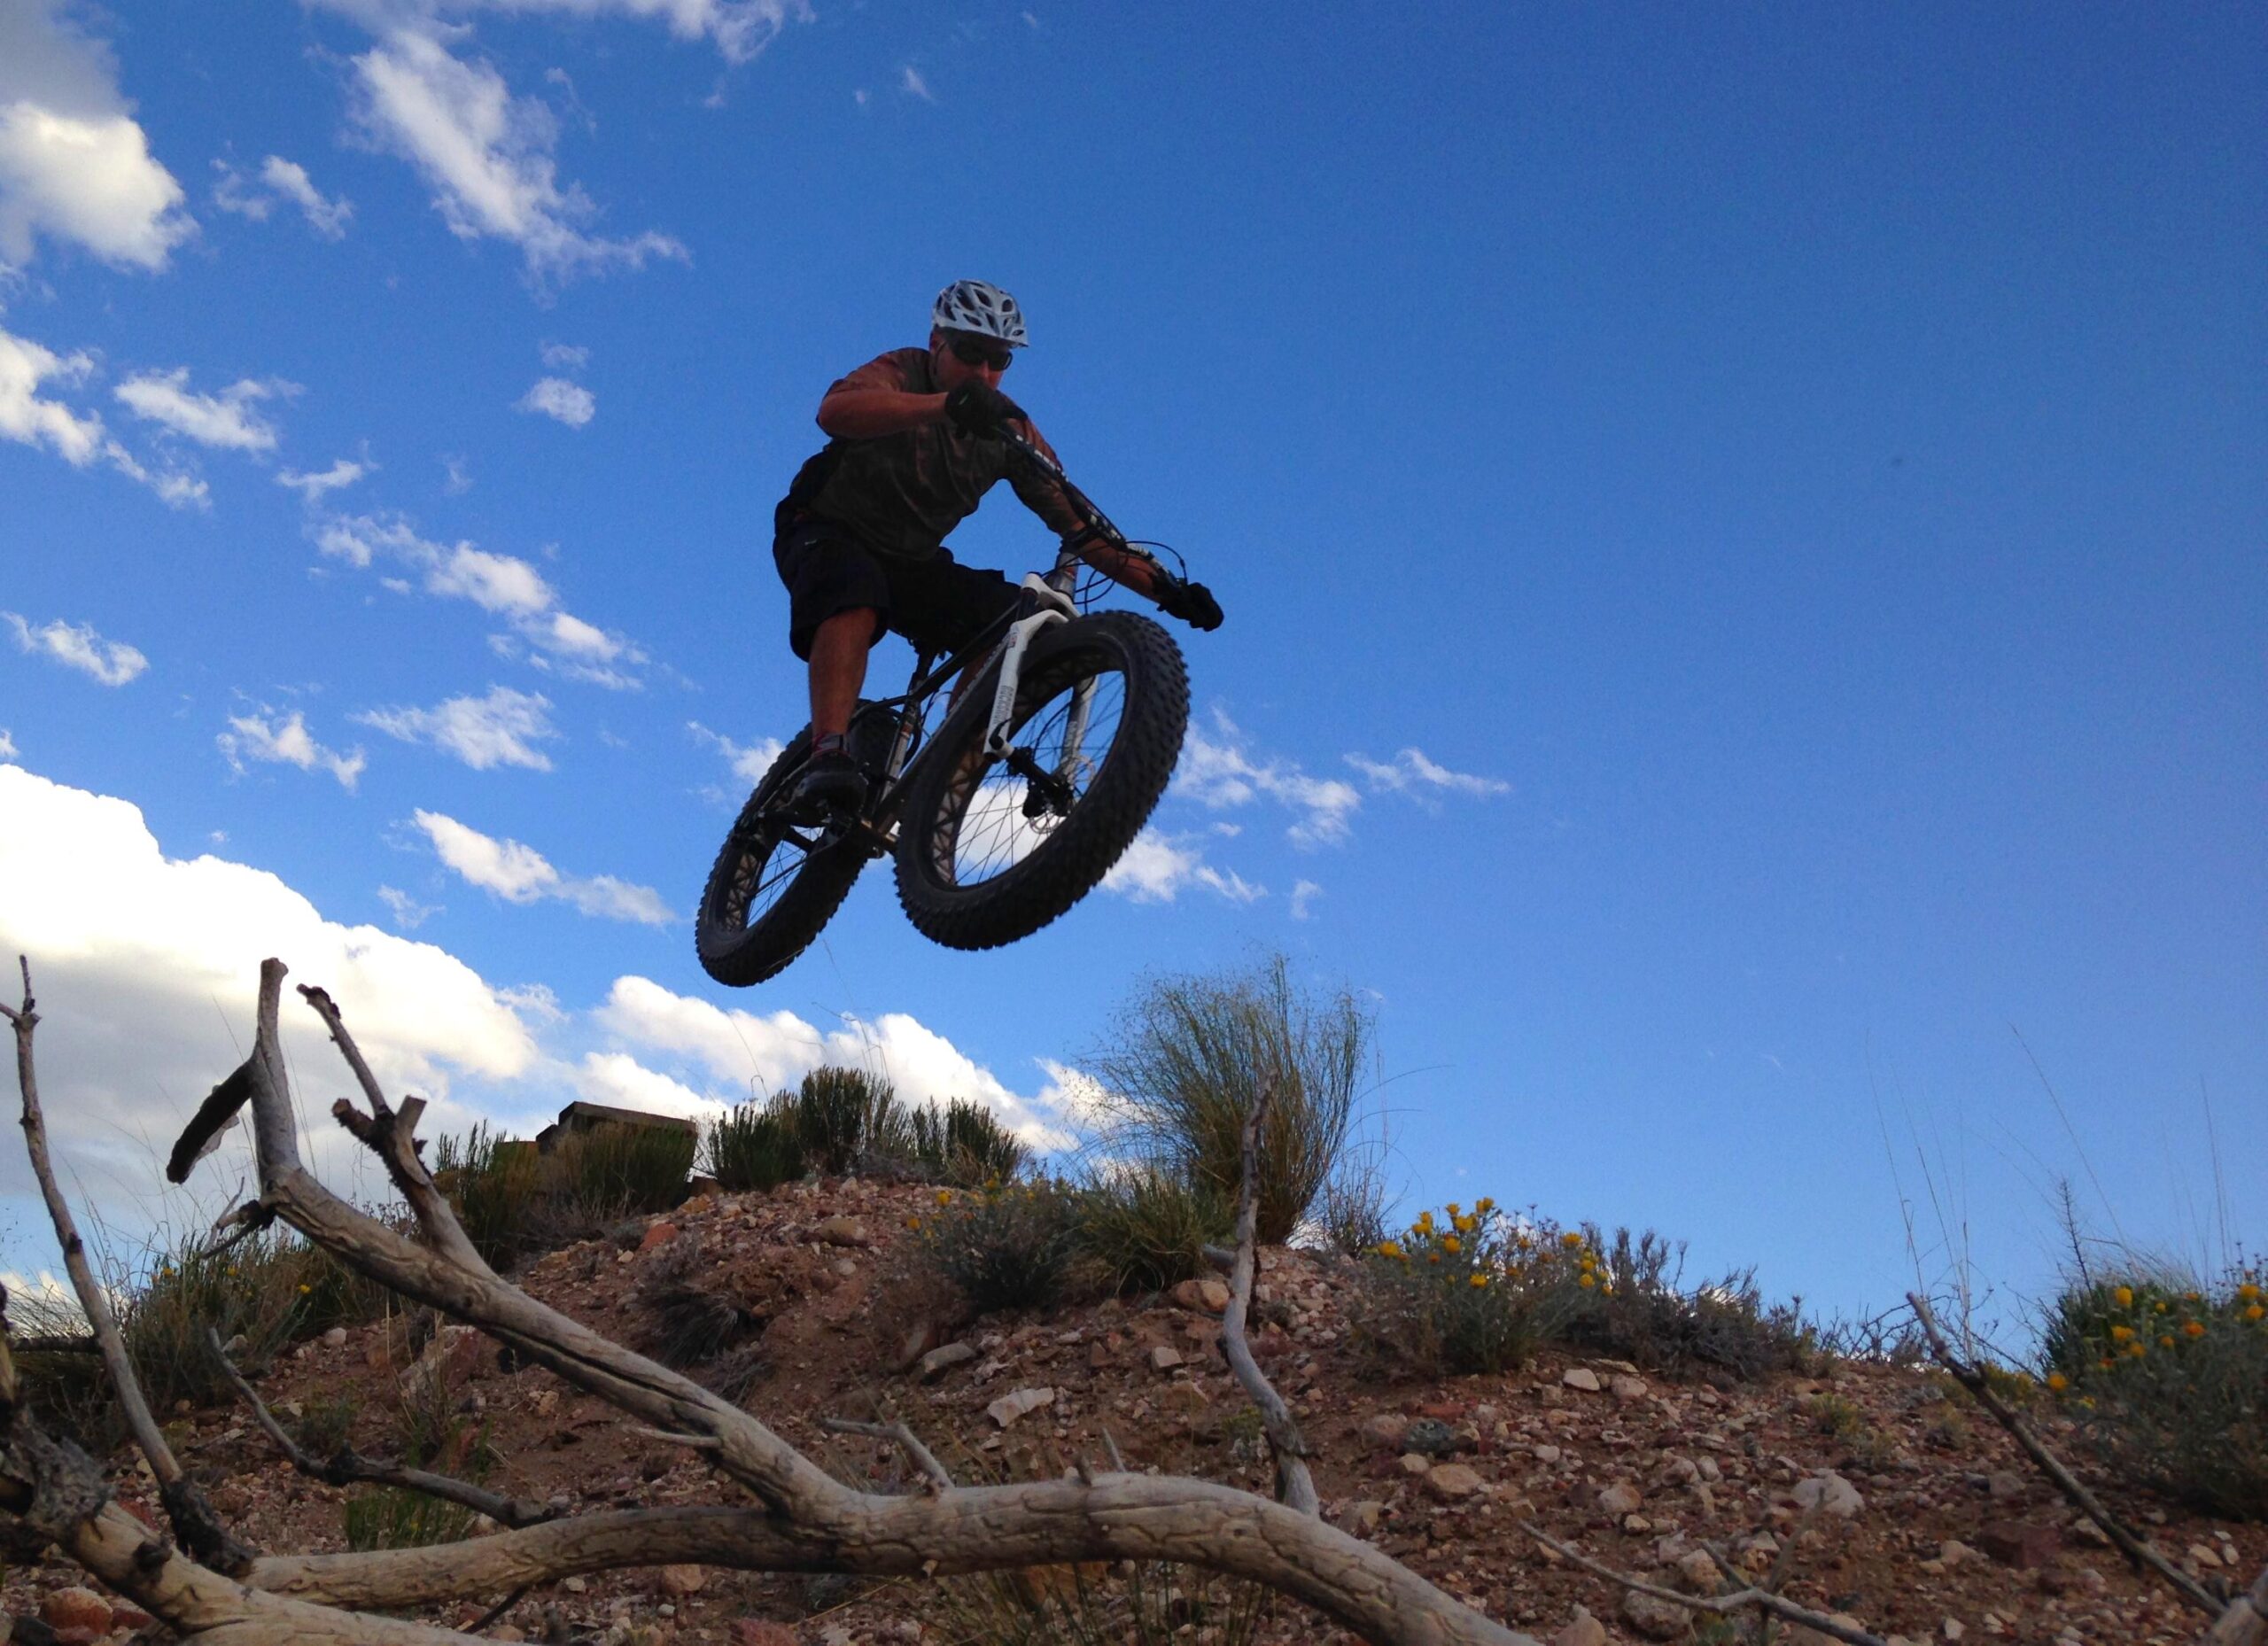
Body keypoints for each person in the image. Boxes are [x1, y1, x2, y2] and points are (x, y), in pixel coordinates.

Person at [772, 279, 1223, 814]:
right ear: (938, 342)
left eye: (998, 360)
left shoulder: (1010, 428)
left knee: (1015, 620)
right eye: (969, 354)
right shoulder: (902, 370)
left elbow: (1082, 529)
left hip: (912, 562)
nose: (984, 373)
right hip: (826, 527)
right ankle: (828, 751)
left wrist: (1168, 593)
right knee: (854, 592)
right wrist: (944, 407)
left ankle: (947, 758)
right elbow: (836, 412)